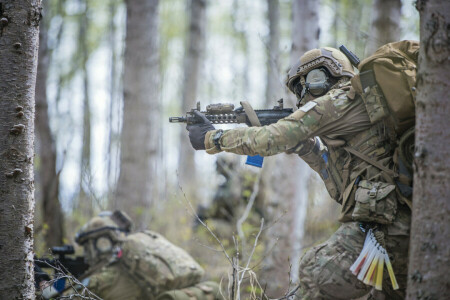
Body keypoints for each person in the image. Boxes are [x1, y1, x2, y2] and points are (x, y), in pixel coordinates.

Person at [186, 46, 412, 299]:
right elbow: (340, 186)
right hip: (396, 222)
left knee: (315, 273)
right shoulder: (360, 108)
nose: (304, 91)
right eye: (299, 86)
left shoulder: (341, 100)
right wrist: (308, 149)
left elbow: (272, 138)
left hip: (388, 225)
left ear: (334, 72)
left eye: (313, 80)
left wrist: (213, 138)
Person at [41, 210, 223, 300]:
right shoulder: (139, 261)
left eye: (88, 247)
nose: (87, 254)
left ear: (100, 244)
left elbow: (65, 298)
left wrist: (42, 283)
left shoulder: (106, 278)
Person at [196, 155, 265, 238]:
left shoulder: (237, 180)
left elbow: (233, 199)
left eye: (220, 167)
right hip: (240, 222)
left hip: (244, 223)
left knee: (210, 226)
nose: (219, 170)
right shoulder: (228, 183)